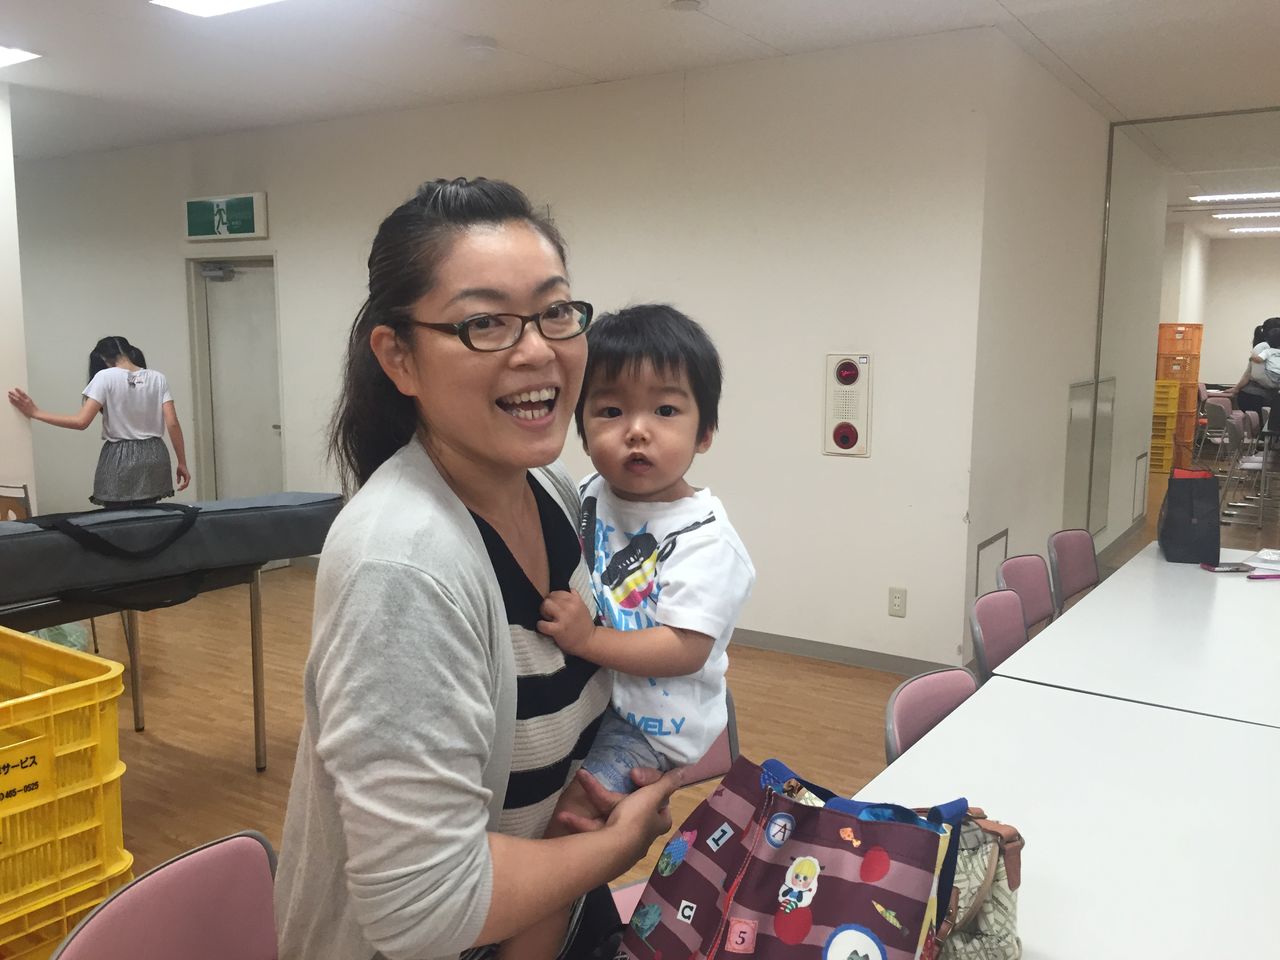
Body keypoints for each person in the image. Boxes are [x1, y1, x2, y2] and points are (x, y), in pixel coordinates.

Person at [274, 178, 681, 960]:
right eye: (485, 322)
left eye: (555, 311)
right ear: (399, 358)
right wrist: (616, 844)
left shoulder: (554, 491)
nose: (538, 350)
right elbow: (422, 911)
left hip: (550, 915)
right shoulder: (404, 567)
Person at [501, 305, 755, 959]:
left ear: (705, 431)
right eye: (611, 411)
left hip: (648, 725)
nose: (637, 431)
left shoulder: (703, 538)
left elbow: (684, 648)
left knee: (565, 839)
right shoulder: (587, 494)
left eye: (665, 411)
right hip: (599, 697)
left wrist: (587, 640)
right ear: (582, 427)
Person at [7, 336, 190, 506]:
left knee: (117, 518)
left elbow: (81, 422)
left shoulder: (104, 377)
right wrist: (182, 462)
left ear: (103, 358)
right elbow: (172, 423)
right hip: (155, 454)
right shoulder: (158, 378)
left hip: (120, 457)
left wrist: (36, 412)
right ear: (130, 352)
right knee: (150, 517)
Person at [1230, 324, 1280, 417]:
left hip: (1255, 394)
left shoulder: (1266, 349)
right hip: (1257, 397)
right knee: (1261, 423)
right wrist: (1276, 385)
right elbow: (1257, 376)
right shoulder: (1263, 348)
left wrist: (1236, 389)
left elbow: (1248, 374)